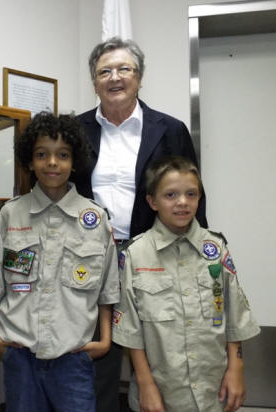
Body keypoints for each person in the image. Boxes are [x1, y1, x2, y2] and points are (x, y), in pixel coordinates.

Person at [74, 36, 208, 412]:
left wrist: (199, 256)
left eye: (124, 69)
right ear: (94, 81)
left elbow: (192, 193)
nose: (115, 77)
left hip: (153, 256)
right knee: (96, 355)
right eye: (105, 71)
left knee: (159, 352)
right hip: (91, 259)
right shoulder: (76, 129)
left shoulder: (170, 129)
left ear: (140, 77)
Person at [0, 112, 120, 412]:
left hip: (73, 358)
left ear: (74, 161)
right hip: (20, 355)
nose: (52, 163)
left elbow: (108, 290)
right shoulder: (11, 214)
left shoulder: (95, 219)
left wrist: (105, 341)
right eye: (42, 154)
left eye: (62, 155)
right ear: (30, 161)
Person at [112, 156, 260, 412]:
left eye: (191, 194)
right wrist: (145, 384)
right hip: (162, 392)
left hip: (213, 390)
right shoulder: (136, 254)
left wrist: (236, 369)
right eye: (170, 195)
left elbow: (235, 314)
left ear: (199, 198)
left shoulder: (216, 248)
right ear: (152, 202)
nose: (182, 202)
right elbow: (130, 329)